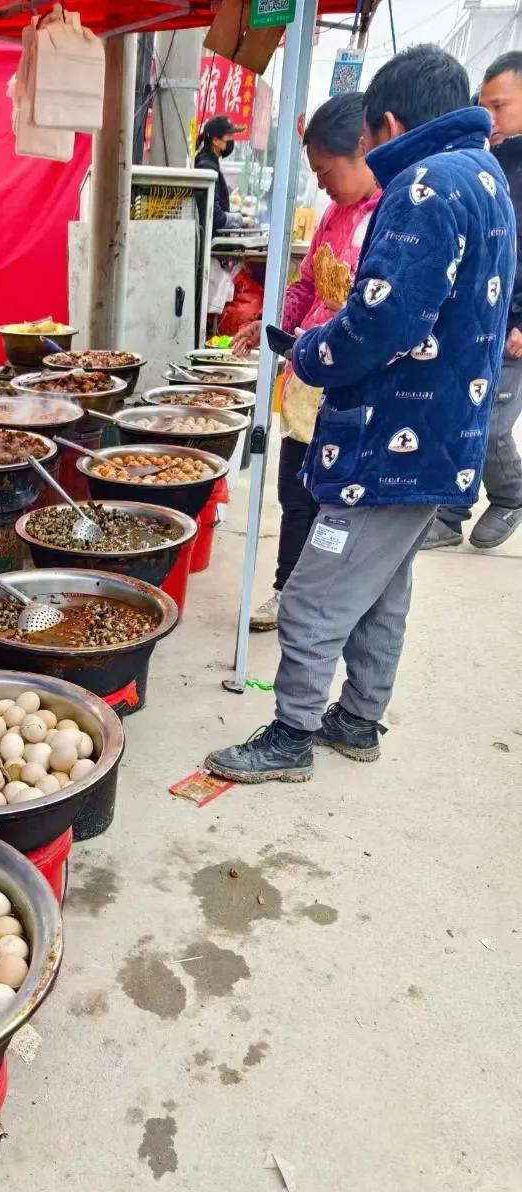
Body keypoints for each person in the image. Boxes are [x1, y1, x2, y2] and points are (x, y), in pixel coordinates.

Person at [205, 45, 515, 784]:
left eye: (370, 139)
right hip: (441, 438)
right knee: (383, 590)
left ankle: (290, 737)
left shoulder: (425, 185)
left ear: (387, 123)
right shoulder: (487, 177)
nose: (371, 155)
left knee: (315, 592)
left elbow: (382, 323)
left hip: (389, 438)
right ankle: (359, 718)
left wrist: (309, 354)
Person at [232, 93, 381, 631]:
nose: (319, 182)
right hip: (305, 380)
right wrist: (273, 327)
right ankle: (286, 592)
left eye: (325, 169)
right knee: (294, 495)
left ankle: (327, 602)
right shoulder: (333, 214)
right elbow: (307, 285)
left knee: (333, 504)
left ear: (362, 147)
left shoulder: (388, 217)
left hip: (350, 387)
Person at [423, 50, 522, 550]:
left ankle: (511, 494)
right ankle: (452, 509)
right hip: (472, 315)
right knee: (461, 410)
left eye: (499, 106)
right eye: (483, 107)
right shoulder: (483, 162)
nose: (489, 118)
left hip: (514, 325)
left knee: (491, 422)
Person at [196, 116, 243, 236]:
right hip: (208, 246)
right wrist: (241, 220)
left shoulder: (210, 163)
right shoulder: (206, 168)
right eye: (228, 136)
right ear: (216, 141)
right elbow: (214, 216)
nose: (231, 140)